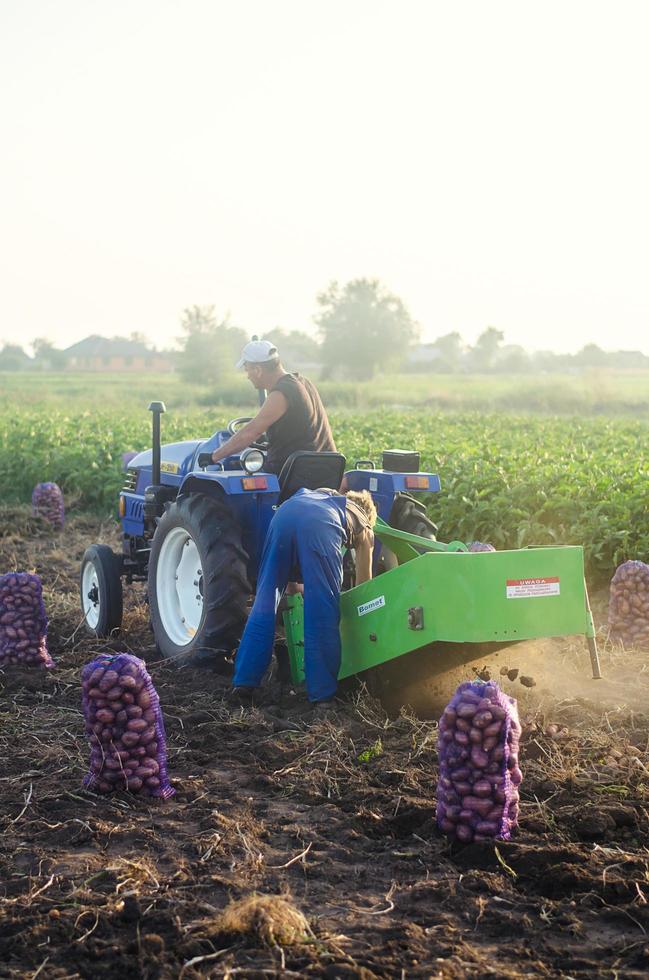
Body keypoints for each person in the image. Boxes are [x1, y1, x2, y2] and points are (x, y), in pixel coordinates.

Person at [231, 487, 377, 711]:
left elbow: (291, 583)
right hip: (321, 525)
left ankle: (243, 684)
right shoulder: (364, 523)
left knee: (265, 603)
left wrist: (301, 585)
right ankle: (322, 697)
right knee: (322, 611)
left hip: (283, 515)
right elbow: (364, 585)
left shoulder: (323, 493)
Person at [210, 339, 336, 473]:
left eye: (247, 370)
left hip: (295, 474)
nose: (248, 376)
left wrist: (214, 456)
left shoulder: (281, 393)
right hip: (327, 469)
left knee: (234, 476)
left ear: (258, 370)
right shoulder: (304, 383)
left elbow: (250, 433)